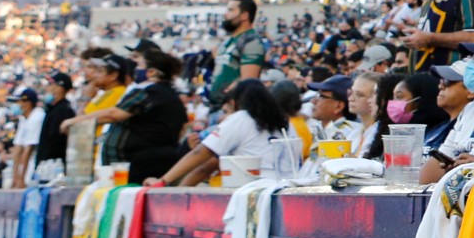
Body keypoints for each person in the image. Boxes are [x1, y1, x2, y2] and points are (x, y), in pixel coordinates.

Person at [69, 50, 189, 183]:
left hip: (139, 166)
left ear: (152, 72)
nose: (135, 70)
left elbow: (114, 114)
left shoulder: (150, 92)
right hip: (149, 163)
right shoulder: (169, 95)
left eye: (140, 66)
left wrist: (74, 122)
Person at [147, 77, 291, 187]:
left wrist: (163, 181)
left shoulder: (241, 118)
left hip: (255, 190)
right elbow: (208, 166)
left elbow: (201, 153)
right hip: (287, 188)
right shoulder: (285, 123)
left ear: (235, 102)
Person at [209, 0, 268, 105]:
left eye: (231, 10)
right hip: (216, 107)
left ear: (244, 15)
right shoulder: (229, 41)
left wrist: (231, 109)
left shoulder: (251, 41)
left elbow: (248, 83)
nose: (226, 14)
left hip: (231, 109)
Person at [393, 71, 454, 151]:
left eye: (399, 96)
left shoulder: (446, 131)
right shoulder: (406, 131)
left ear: (420, 99)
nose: (394, 102)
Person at [36, 71, 75, 173]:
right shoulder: (53, 109)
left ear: (60, 88)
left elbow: (55, 141)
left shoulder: (63, 110)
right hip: (47, 166)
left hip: (54, 167)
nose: (47, 88)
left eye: (51, 84)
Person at [306, 76, 361, 144]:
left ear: (338, 106)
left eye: (320, 96)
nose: (313, 101)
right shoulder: (317, 127)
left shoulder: (348, 134)